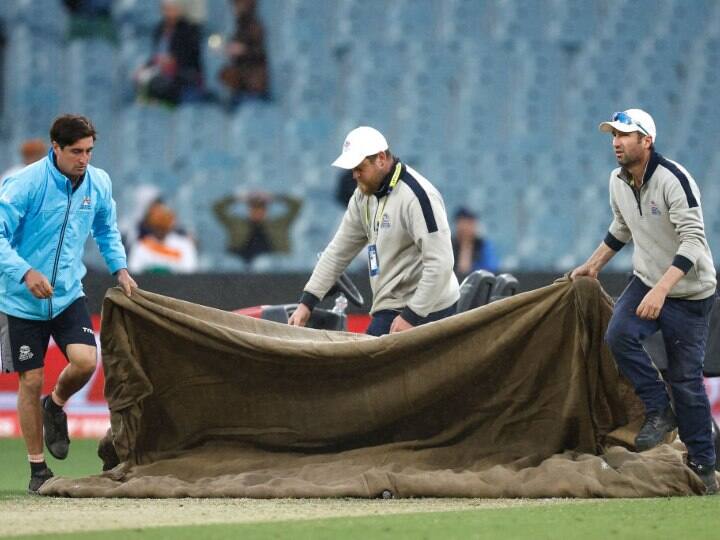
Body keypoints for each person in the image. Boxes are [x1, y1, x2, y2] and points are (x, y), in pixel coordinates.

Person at [570, 108, 718, 494]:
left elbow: (693, 242)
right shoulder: (616, 181)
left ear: (646, 141)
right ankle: (658, 408)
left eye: (624, 135)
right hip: (648, 278)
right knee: (618, 333)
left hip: (688, 291)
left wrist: (662, 290)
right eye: (613, 135)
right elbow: (621, 228)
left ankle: (703, 465)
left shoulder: (675, 180)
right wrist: (592, 265)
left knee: (686, 381)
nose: (616, 142)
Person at [0, 114, 138, 493]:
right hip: (20, 301)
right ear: (55, 148)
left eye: (89, 151)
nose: (84, 159)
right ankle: (36, 469)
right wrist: (25, 272)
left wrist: (120, 269)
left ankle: (56, 404)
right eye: (76, 151)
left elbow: (106, 228)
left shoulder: (98, 182)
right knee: (30, 380)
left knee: (85, 361)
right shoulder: (24, 184)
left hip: (65, 295)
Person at [288, 126, 459, 336]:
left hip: (431, 309)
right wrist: (307, 303)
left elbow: (441, 263)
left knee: (365, 365)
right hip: (392, 306)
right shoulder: (362, 197)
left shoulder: (418, 197)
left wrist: (412, 316)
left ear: (380, 159)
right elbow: (337, 252)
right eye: (352, 169)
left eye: (360, 168)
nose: (354, 175)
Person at [134, 0, 203, 106]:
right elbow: (155, 55)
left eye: (172, 9)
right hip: (160, 69)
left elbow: (187, 58)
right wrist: (144, 67)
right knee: (140, 77)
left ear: (179, 11)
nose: (169, 13)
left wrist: (169, 61)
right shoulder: (159, 28)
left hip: (181, 73)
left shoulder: (188, 30)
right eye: (166, 9)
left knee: (157, 83)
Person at [213, 191, 301, 265]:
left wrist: (275, 197)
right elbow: (217, 208)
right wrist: (237, 198)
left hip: (271, 267)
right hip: (242, 265)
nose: (257, 212)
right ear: (249, 210)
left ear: (265, 210)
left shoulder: (277, 225)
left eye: (260, 209)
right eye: (254, 209)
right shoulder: (237, 225)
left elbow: (297, 206)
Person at [217, 0, 270, 107]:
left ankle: (252, 94)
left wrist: (243, 50)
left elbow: (260, 51)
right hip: (243, 70)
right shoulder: (240, 24)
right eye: (235, 5)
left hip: (254, 71)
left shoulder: (253, 24)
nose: (235, 8)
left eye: (238, 4)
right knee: (224, 73)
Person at [128, 201, 198, 274]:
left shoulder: (184, 245)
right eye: (158, 226)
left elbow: (190, 272)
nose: (160, 230)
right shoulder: (141, 246)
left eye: (164, 226)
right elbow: (134, 273)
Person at [452, 207, 499, 280]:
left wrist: (467, 246)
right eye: (463, 223)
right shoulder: (450, 246)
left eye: (469, 223)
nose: (465, 227)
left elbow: (490, 270)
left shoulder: (483, 245)